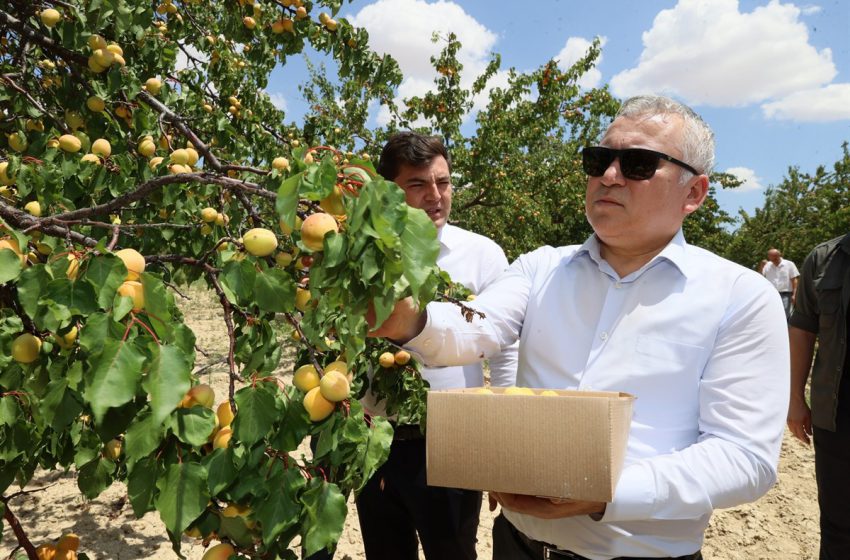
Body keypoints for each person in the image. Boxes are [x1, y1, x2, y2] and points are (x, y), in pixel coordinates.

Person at [370, 95, 789, 560]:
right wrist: (411, 319)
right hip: (517, 545)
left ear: (694, 193)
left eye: (637, 164)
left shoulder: (741, 298)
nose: (609, 176)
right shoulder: (540, 268)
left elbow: (744, 458)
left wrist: (605, 492)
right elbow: (476, 328)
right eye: (599, 160)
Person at [356, 132, 518, 560]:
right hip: (375, 440)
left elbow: (505, 352)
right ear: (388, 190)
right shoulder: (358, 255)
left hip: (452, 440)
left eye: (443, 183)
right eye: (418, 185)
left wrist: (504, 450)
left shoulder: (481, 255)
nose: (435, 196)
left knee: (453, 551)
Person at [787, 233, 850, 559]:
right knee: (839, 524)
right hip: (836, 414)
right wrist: (795, 399)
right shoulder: (825, 258)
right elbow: (802, 327)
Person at [761, 248, 800, 319]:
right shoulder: (768, 265)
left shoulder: (789, 264)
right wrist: (761, 266)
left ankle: (785, 329)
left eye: (775, 259)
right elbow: (761, 277)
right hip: (771, 294)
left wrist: (795, 294)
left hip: (785, 294)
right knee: (772, 314)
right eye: (771, 259)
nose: (773, 261)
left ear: (779, 256)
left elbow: (794, 280)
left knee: (784, 314)